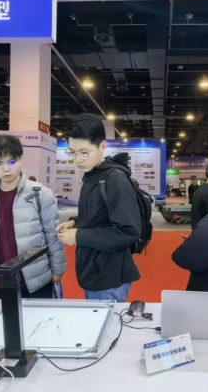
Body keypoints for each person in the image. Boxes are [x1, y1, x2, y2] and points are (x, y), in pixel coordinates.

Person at [0, 135, 66, 299]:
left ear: (20, 160)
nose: (6, 169)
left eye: (11, 162)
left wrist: (58, 269)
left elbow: (52, 234)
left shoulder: (41, 194)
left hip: (35, 278)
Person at [56, 114, 141, 302]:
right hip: (93, 270)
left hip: (108, 276)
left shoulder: (114, 178)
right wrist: (74, 222)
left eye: (84, 152)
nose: (78, 159)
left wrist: (78, 236)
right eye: (72, 152)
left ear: (102, 146)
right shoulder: (92, 175)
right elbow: (98, 214)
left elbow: (128, 231)